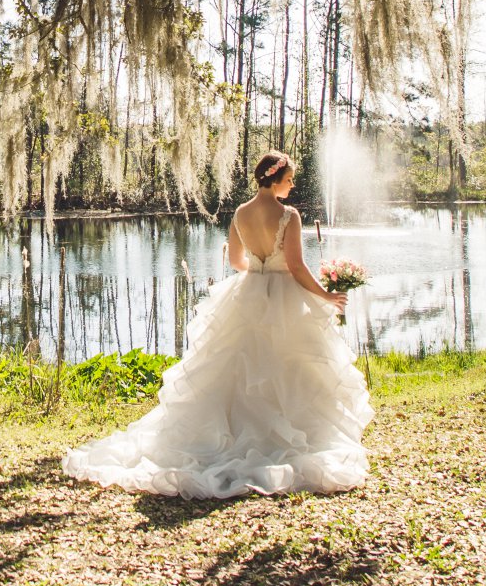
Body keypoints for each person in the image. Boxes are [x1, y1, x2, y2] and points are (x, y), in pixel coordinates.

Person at [61, 150, 371, 497]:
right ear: (275, 179)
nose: (292, 185)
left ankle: (231, 432)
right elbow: (298, 267)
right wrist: (325, 296)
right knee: (287, 366)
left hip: (248, 290)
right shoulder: (289, 216)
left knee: (235, 368)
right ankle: (286, 437)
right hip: (285, 294)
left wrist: (260, 271)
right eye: (289, 180)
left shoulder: (240, 213)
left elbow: (238, 261)